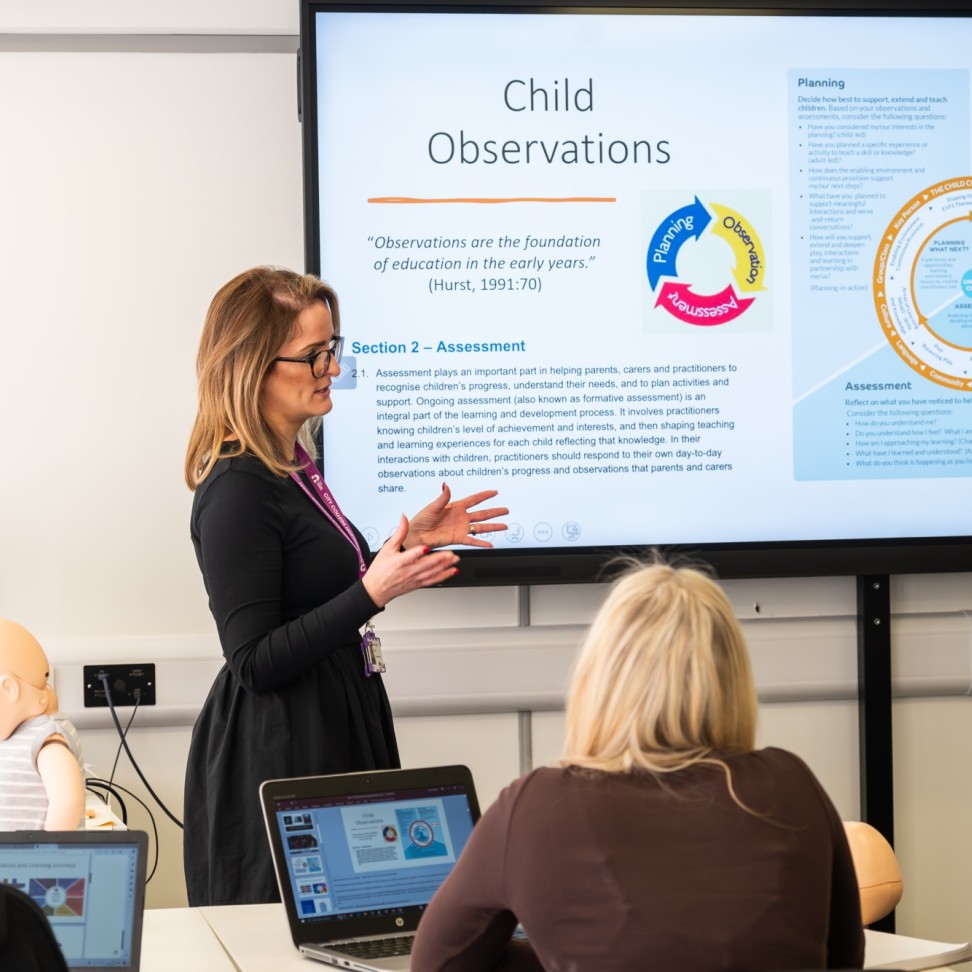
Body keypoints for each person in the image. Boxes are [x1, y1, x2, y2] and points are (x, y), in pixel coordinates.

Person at [182, 266, 507, 906]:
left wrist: (405, 543)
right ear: (252, 367)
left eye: (334, 349)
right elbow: (252, 661)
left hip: (333, 722)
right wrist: (372, 593)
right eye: (314, 356)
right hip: (278, 750)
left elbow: (318, 587)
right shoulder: (238, 489)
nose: (333, 368)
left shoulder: (294, 464)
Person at [411, 559, 865, 972]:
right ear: (733, 680)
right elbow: (843, 958)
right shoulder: (791, 783)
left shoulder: (536, 805)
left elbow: (438, 965)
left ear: (599, 677)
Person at [0, 619, 85, 831]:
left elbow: (68, 803)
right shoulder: (14, 732)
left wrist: (48, 857)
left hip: (34, 863)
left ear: (9, 688)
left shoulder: (47, 739)